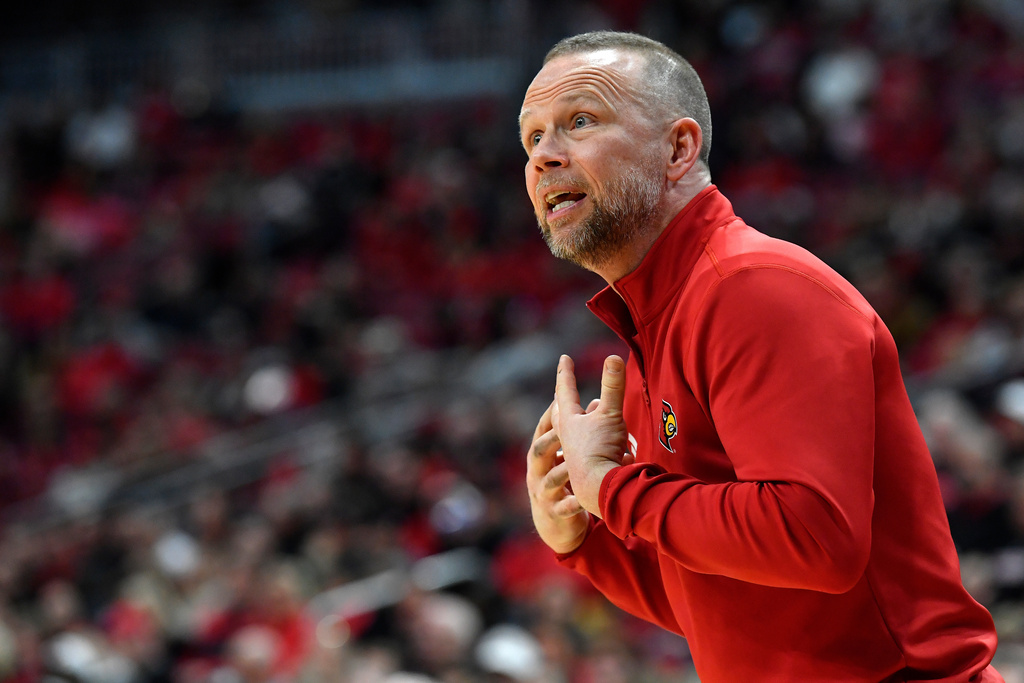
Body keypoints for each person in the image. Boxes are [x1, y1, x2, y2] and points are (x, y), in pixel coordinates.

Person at [521, 30, 1003, 682]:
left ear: (679, 148)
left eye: (579, 121)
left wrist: (614, 489)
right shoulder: (659, 327)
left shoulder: (754, 288)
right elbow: (720, 600)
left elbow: (814, 537)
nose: (546, 156)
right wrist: (580, 538)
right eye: (532, 139)